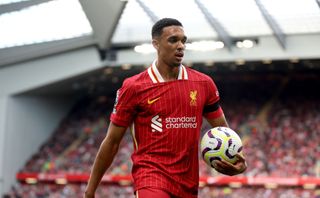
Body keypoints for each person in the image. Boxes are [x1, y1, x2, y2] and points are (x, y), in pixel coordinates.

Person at [85, 18, 247, 198]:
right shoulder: (134, 87)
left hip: (188, 184)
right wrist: (90, 190)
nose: (180, 46)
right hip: (151, 179)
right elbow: (112, 142)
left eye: (183, 41)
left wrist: (237, 161)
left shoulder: (203, 84)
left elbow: (223, 132)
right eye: (173, 40)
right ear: (156, 44)